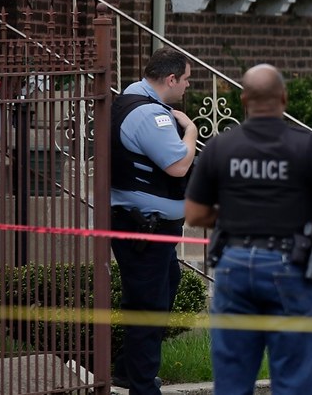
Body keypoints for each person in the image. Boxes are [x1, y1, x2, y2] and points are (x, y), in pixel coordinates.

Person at [185, 64, 312, 395]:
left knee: (231, 380)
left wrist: (232, 215)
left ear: (244, 98)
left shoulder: (220, 146)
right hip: (289, 264)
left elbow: (193, 213)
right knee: (294, 379)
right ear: (284, 98)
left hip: (233, 263)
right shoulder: (308, 147)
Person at [110, 48, 198, 394]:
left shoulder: (131, 98)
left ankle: (126, 369)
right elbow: (178, 165)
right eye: (187, 79)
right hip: (145, 227)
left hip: (142, 224)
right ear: (171, 79)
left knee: (162, 287)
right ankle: (142, 386)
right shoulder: (151, 114)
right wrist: (189, 130)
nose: (188, 87)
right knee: (149, 305)